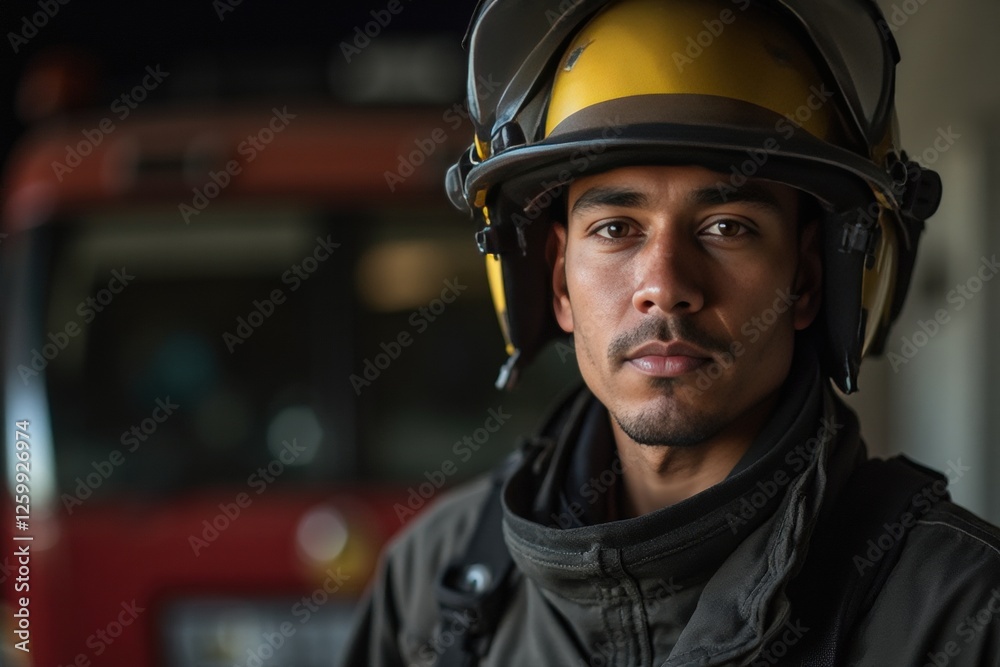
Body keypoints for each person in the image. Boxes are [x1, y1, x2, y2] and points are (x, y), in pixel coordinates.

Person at [339, 0, 1000, 664]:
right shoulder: (430, 587)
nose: (665, 284)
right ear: (560, 285)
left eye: (727, 227)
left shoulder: (959, 615)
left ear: (805, 281)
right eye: (616, 228)